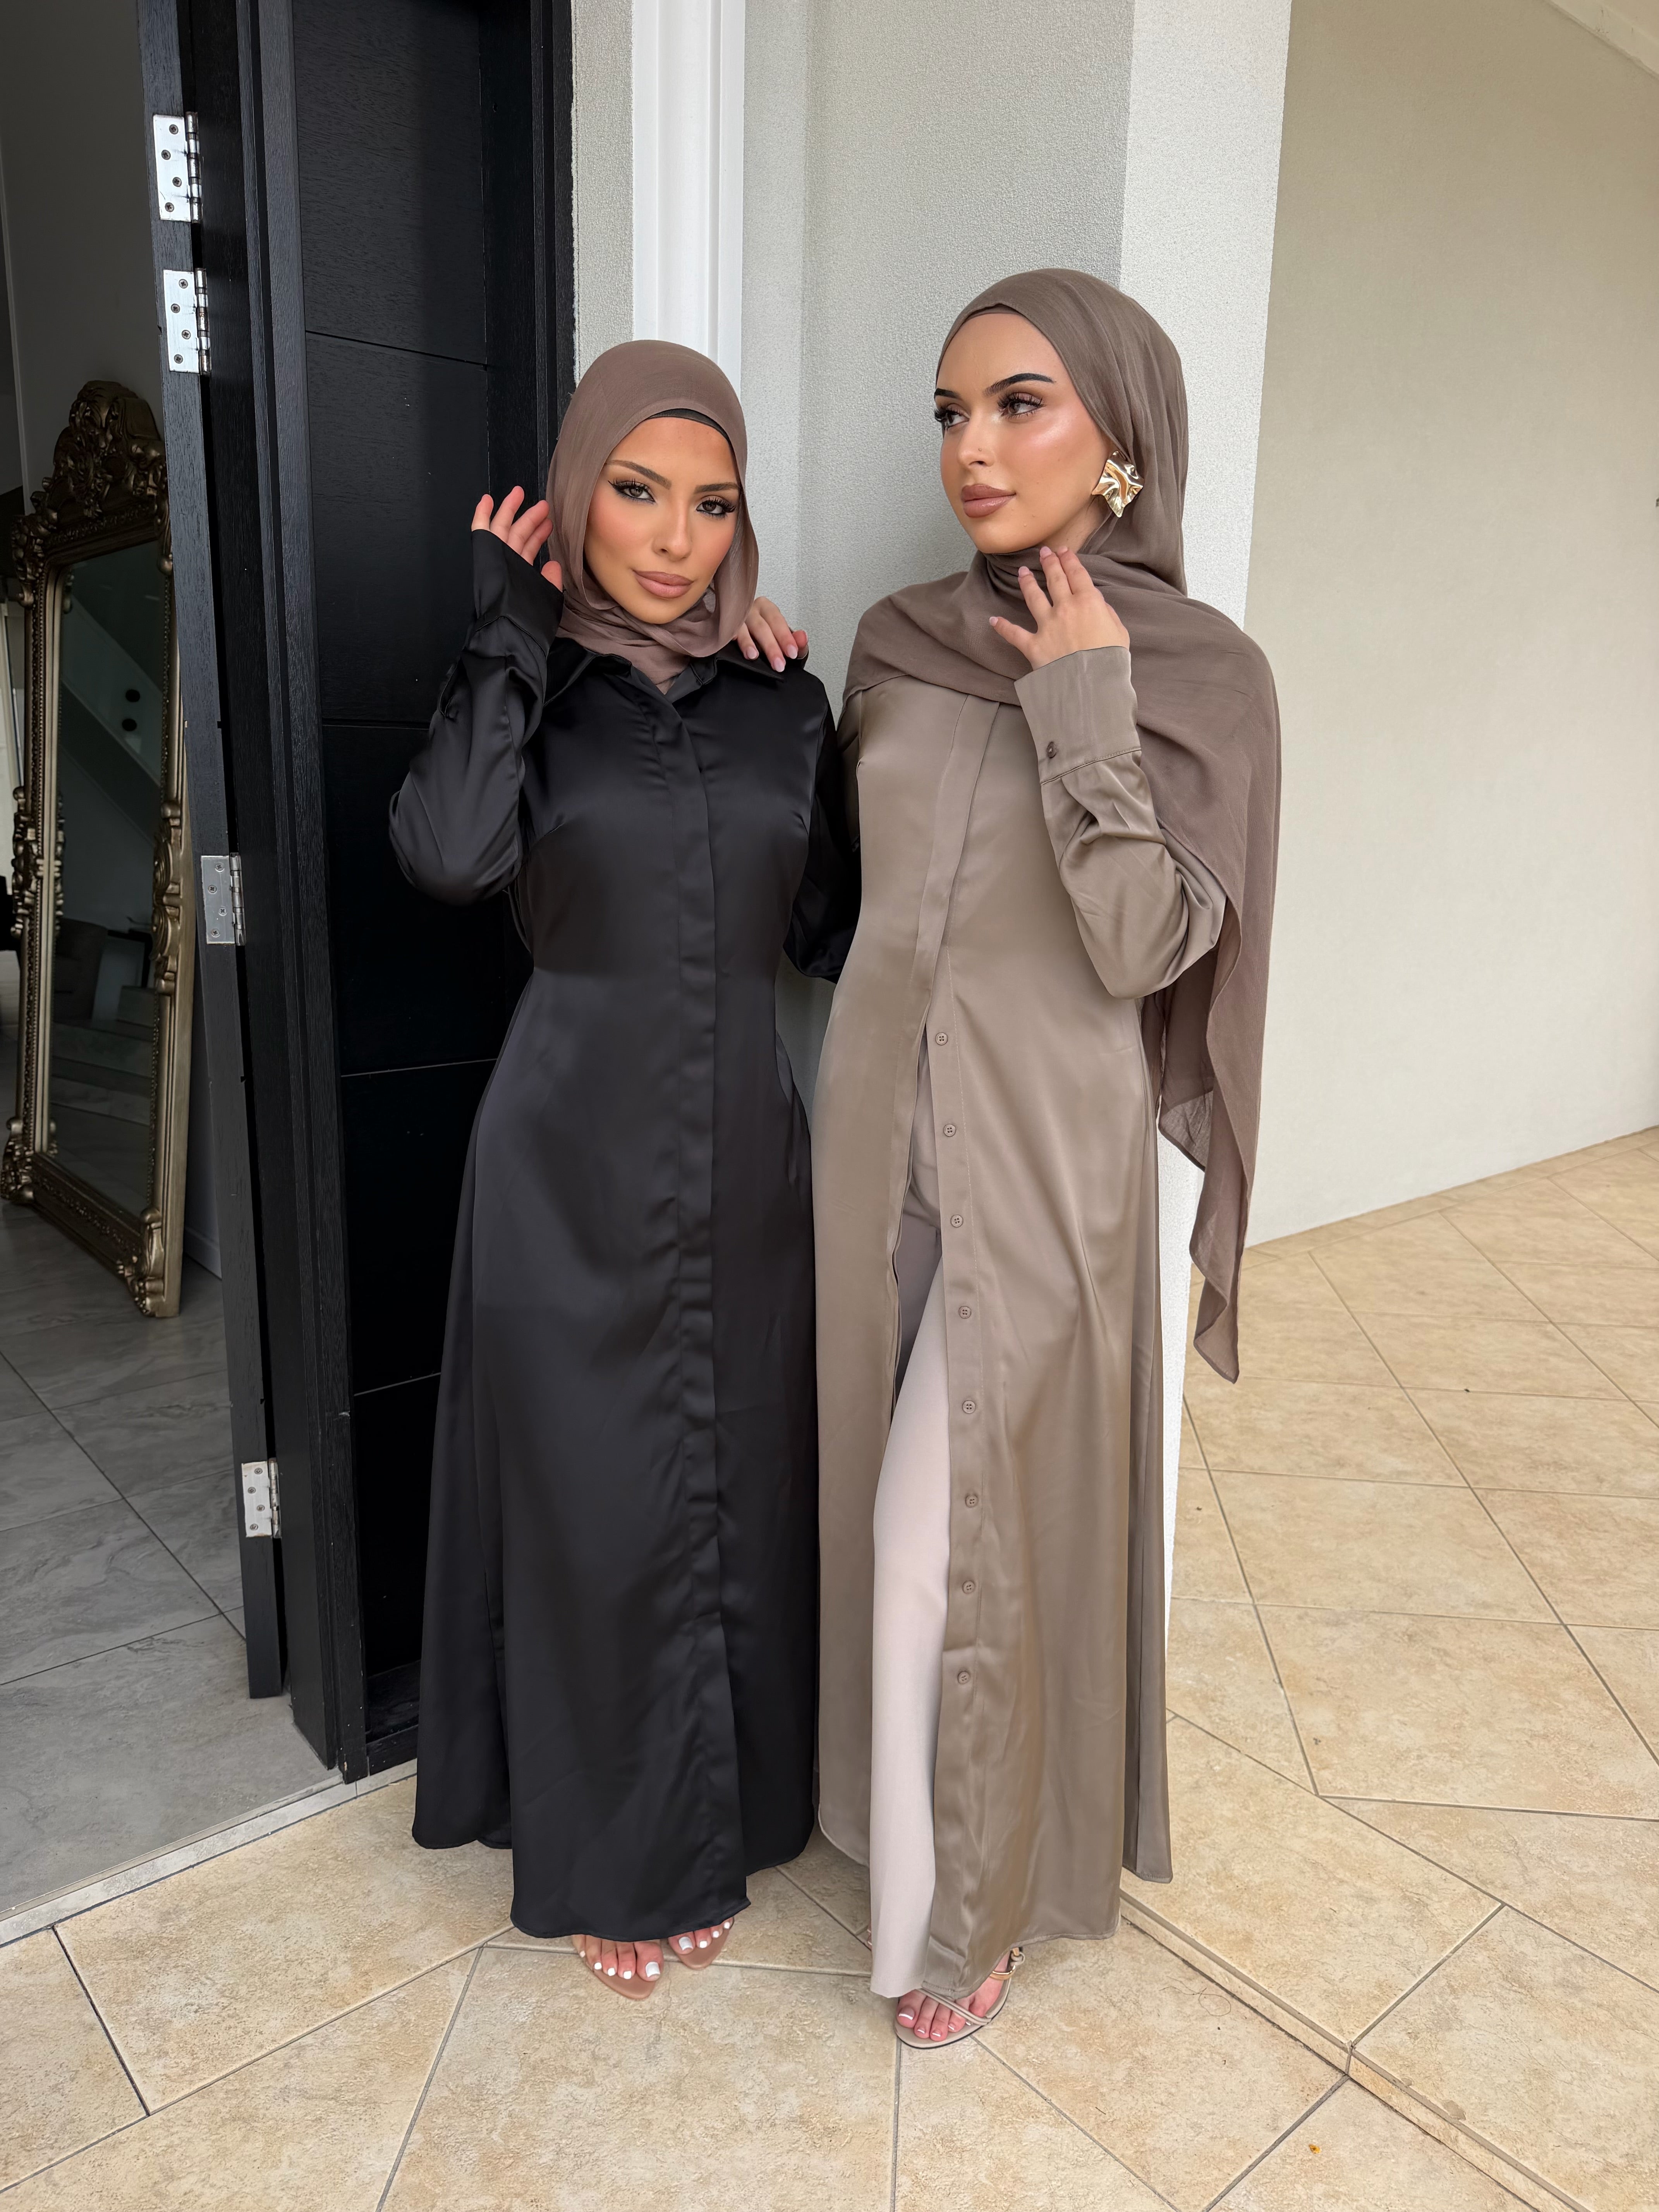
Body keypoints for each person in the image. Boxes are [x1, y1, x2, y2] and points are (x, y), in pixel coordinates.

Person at [812, 270, 1280, 2047]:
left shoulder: (1203, 677)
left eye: (1021, 404)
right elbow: (835, 892)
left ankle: (967, 1914)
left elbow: (1148, 944)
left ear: (1121, 442)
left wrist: (1087, 708)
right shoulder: (895, 639)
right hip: (874, 1134)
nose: (973, 447)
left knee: (955, 1539)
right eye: (952, 411)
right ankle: (896, 1825)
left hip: (1045, 1158)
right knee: (868, 1504)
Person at [390, 340, 857, 1997]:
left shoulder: (784, 702)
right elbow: (449, 855)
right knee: (595, 1507)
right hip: (564, 1162)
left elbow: (828, 928)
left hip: (745, 1168)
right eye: (637, 493)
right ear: (579, 496)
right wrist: (507, 631)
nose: (674, 539)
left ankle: (733, 1811)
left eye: (712, 505)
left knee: (739, 1496)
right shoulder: (535, 691)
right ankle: (614, 1857)